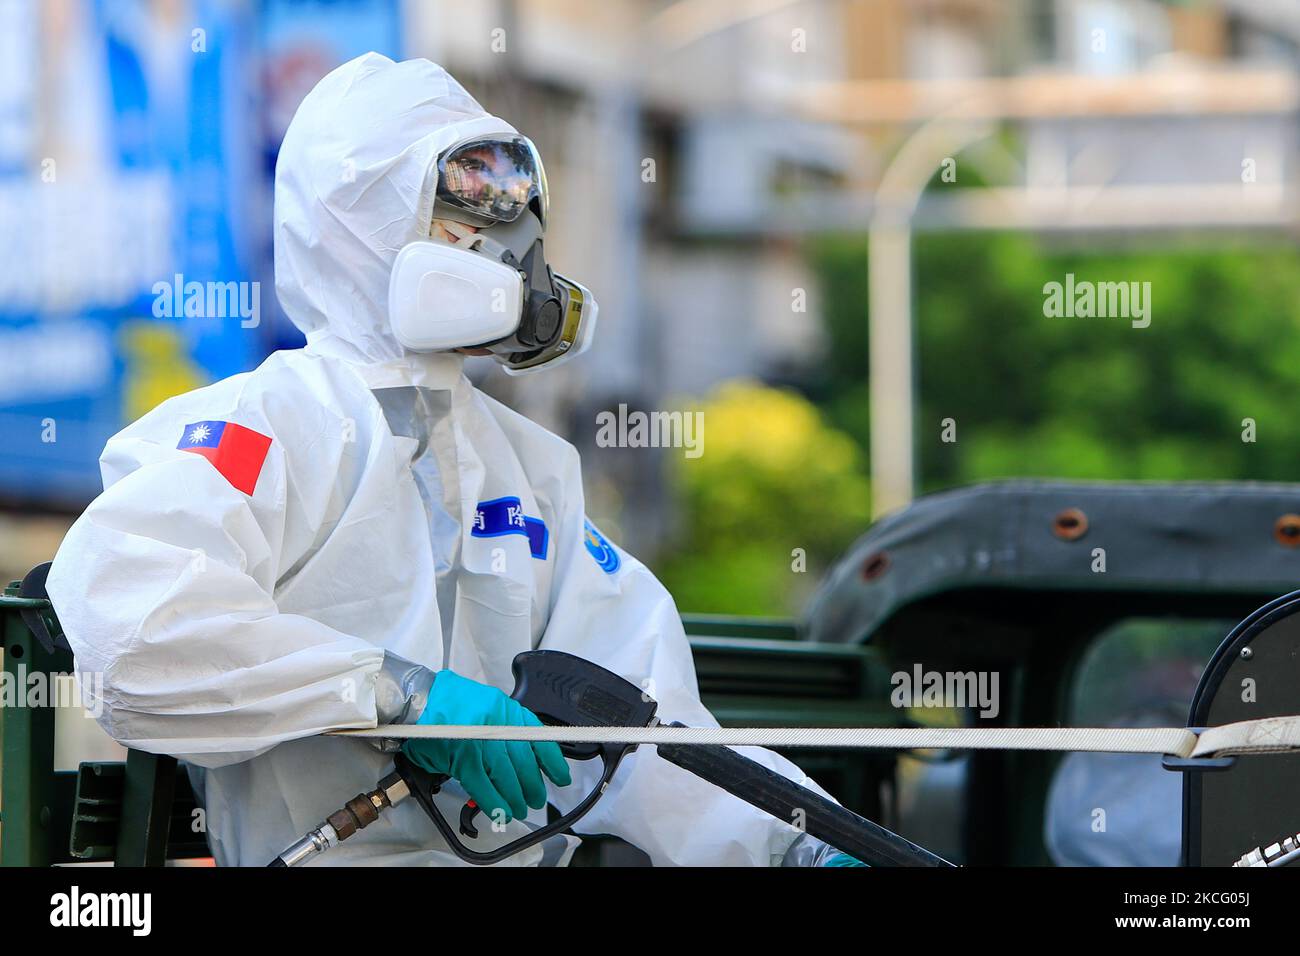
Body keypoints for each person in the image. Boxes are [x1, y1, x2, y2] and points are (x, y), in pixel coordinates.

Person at [47, 53, 851, 867]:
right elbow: (133, 630)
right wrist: (399, 696)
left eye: (517, 199)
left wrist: (801, 844)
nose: (513, 235)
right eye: (470, 197)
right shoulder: (261, 430)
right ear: (359, 221)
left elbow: (645, 728)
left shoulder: (532, 469)